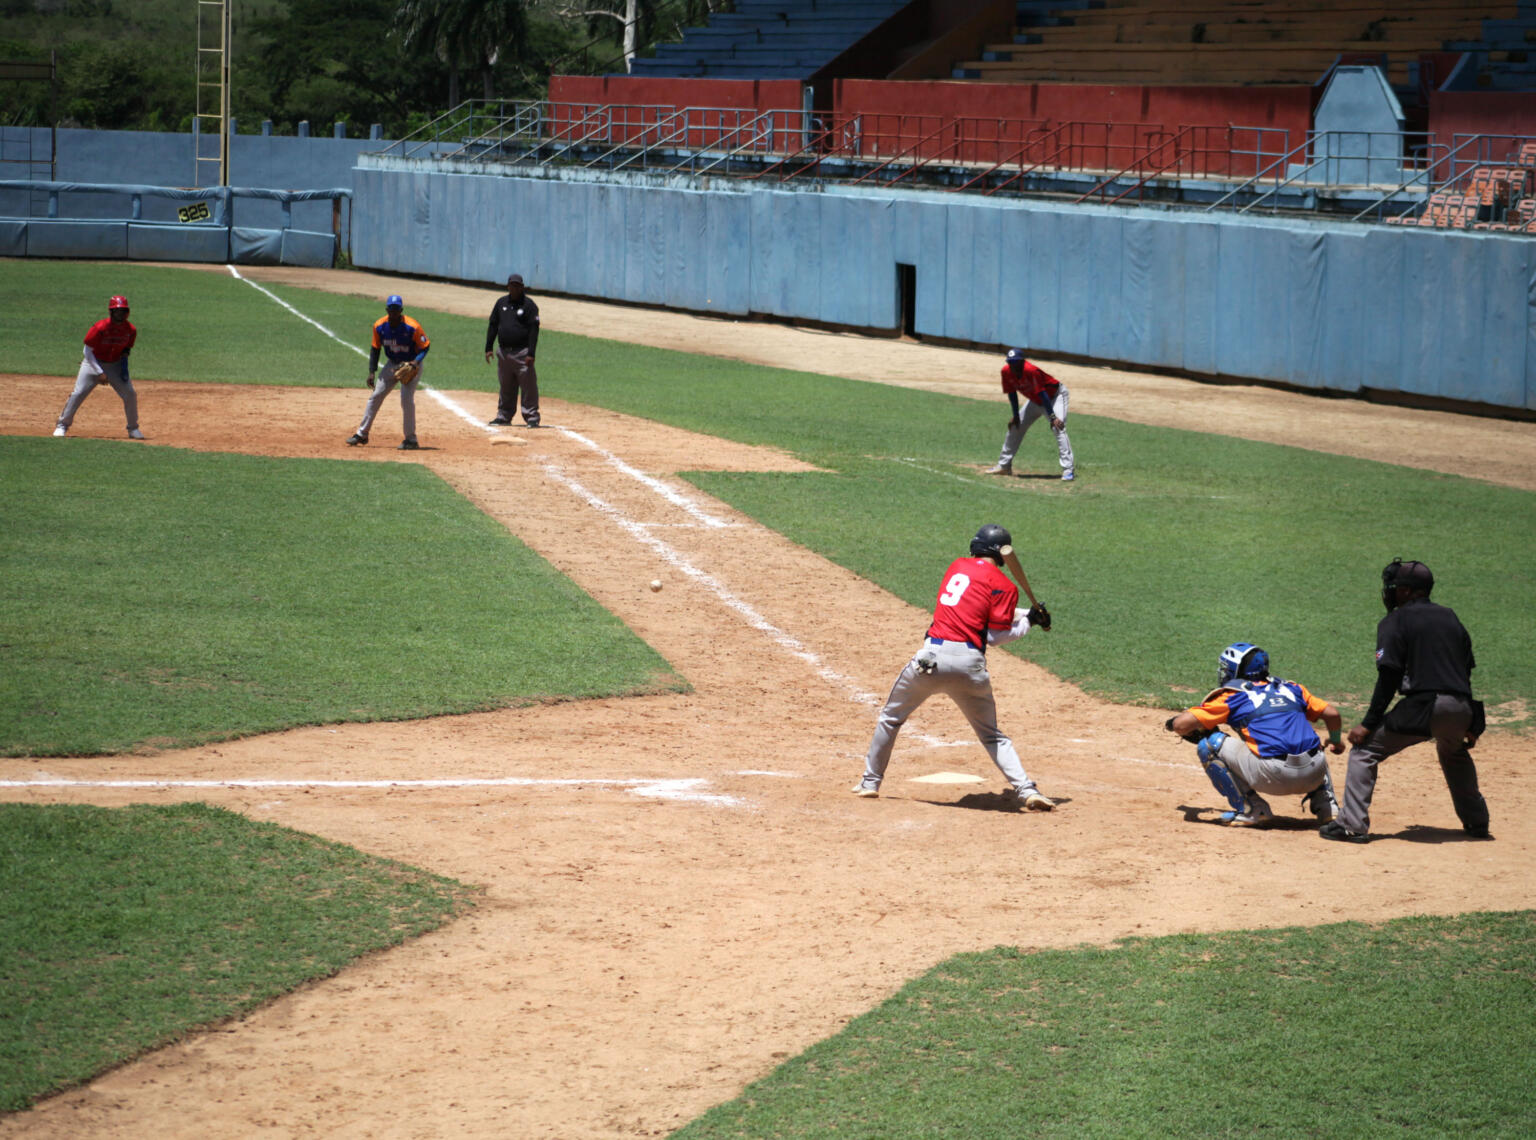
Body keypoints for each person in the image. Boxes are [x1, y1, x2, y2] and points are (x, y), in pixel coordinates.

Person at [852, 523, 1056, 811]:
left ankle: (870, 783)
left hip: (930, 660)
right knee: (991, 735)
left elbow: (974, 607)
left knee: (891, 718)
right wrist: (1031, 621)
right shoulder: (1007, 586)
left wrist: (1027, 615)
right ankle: (1026, 789)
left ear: (977, 547)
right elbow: (995, 634)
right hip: (970, 666)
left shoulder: (957, 567)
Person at [1322, 559, 1490, 843]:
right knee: (1453, 752)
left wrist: (1368, 723)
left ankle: (1351, 825)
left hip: (1425, 707)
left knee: (1364, 753)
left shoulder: (1395, 621)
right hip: (1460, 708)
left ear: (1406, 591)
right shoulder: (1451, 617)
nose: (1388, 593)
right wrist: (1473, 722)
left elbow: (1389, 677)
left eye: (1392, 587)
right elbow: (1465, 671)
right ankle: (1477, 823)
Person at [1165, 643, 1343, 826]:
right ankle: (1328, 805)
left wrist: (1171, 724)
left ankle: (1252, 809)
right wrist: (1336, 741)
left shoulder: (1233, 695)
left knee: (1209, 745)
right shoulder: (1292, 688)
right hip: (1314, 774)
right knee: (1310, 743)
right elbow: (1332, 714)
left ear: (1236, 670)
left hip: (1273, 777)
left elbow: (1181, 725)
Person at [53, 294, 144, 440]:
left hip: (114, 365)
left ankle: (133, 429)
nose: (120, 314)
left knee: (130, 394)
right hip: (92, 363)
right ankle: (62, 425)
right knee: (78, 393)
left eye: (123, 310)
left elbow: (127, 347)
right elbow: (87, 351)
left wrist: (124, 360)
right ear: (111, 312)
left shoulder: (130, 330)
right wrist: (100, 372)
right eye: (117, 310)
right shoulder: (100, 327)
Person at [348, 294, 430, 450]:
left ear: (401, 310)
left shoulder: (412, 326)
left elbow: (425, 346)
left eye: (396, 309)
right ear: (387, 309)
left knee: (406, 399)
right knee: (376, 395)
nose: (393, 312)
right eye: (391, 309)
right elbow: (375, 348)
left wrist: (415, 362)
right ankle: (362, 434)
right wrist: (372, 371)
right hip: (392, 364)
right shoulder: (379, 326)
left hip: (411, 366)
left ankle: (411, 440)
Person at [985, 348, 1074, 481]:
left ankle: (1068, 470)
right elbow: (1012, 393)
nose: (1012, 365)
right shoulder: (1006, 371)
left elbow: (1043, 395)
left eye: (1015, 362)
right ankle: (1004, 466)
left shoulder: (1031, 370)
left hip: (1054, 397)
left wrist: (1053, 417)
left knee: (1058, 427)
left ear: (1022, 362)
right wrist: (1015, 416)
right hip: (1035, 399)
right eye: (1010, 362)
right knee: (1015, 427)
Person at [484, 273, 540, 427]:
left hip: (522, 353)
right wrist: (488, 347)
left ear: (522, 287)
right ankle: (504, 415)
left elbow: (534, 331)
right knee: (506, 386)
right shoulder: (501, 303)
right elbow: (493, 325)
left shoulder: (529, 305)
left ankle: (532, 416)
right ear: (508, 286)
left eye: (517, 285)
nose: (514, 288)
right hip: (503, 353)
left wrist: (531, 353)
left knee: (528, 386)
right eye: (512, 285)